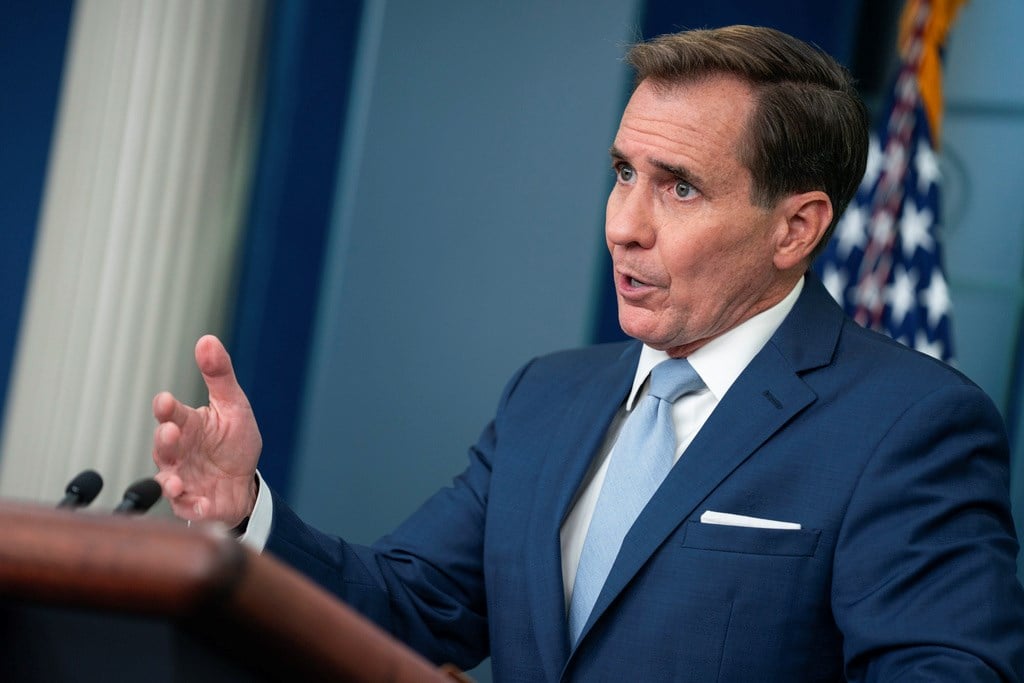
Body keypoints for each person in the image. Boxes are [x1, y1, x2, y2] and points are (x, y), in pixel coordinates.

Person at [152, 25, 1024, 681]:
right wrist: (244, 514)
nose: (623, 226)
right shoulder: (548, 397)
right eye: (623, 173)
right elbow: (413, 607)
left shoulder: (908, 425)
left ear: (796, 227)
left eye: (679, 187)